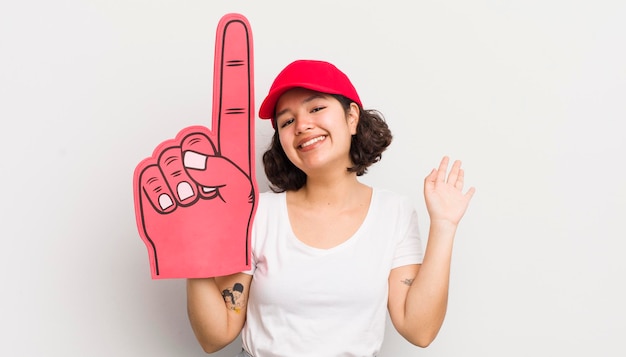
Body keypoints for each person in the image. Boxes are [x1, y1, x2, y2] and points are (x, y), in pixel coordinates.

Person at [186, 59, 475, 356]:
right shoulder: (257, 214)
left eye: (316, 109)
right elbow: (216, 335)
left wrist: (444, 225)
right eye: (287, 121)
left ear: (352, 117)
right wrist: (186, 249)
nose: (302, 126)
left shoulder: (394, 213)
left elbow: (419, 329)